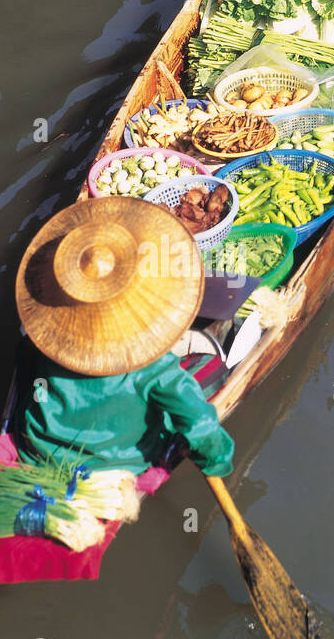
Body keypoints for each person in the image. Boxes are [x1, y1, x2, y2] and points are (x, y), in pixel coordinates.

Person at [12, 195, 234, 480]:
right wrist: (217, 461)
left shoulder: (47, 338)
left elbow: (29, 373)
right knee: (212, 367)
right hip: (112, 465)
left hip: (39, 446)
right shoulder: (155, 368)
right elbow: (201, 427)